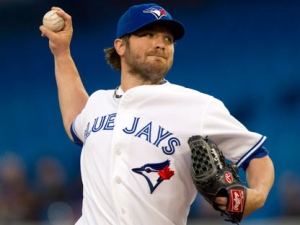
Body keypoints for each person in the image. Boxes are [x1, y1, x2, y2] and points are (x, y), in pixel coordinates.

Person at [39, 3, 275, 225]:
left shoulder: (197, 106)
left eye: (168, 39)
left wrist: (257, 195)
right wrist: (61, 53)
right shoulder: (98, 103)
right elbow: (75, 121)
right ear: (121, 46)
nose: (161, 43)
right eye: (148, 34)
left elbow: (256, 155)